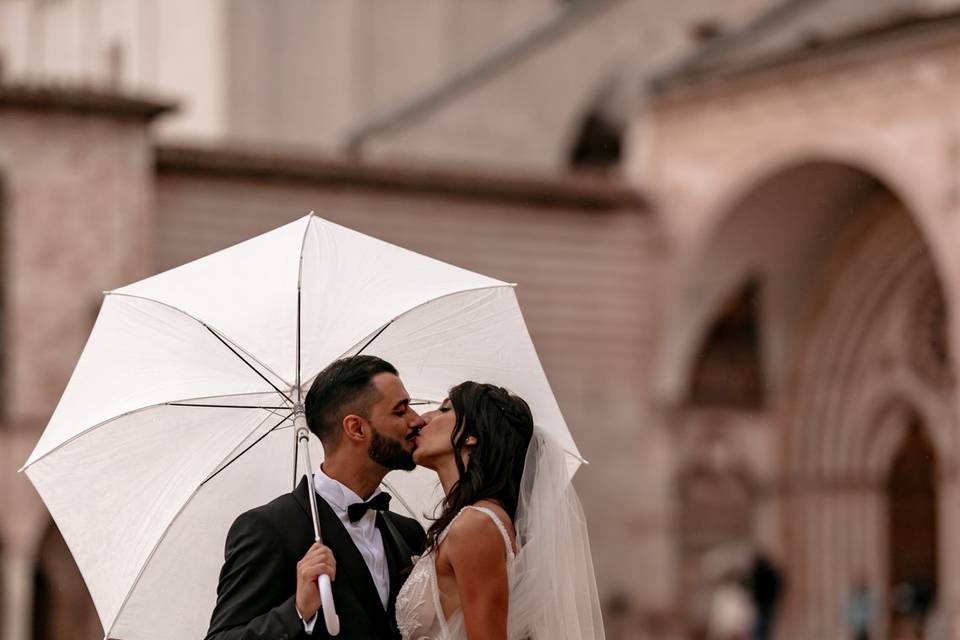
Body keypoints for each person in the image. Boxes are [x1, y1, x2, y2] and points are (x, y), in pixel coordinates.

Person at [206, 355, 427, 639]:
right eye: (400, 411)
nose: (417, 420)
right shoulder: (269, 528)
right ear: (356, 428)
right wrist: (298, 611)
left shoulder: (407, 532)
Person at [395, 381, 605, 639]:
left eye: (445, 409)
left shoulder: (476, 525)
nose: (422, 419)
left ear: (472, 434)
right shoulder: (470, 521)